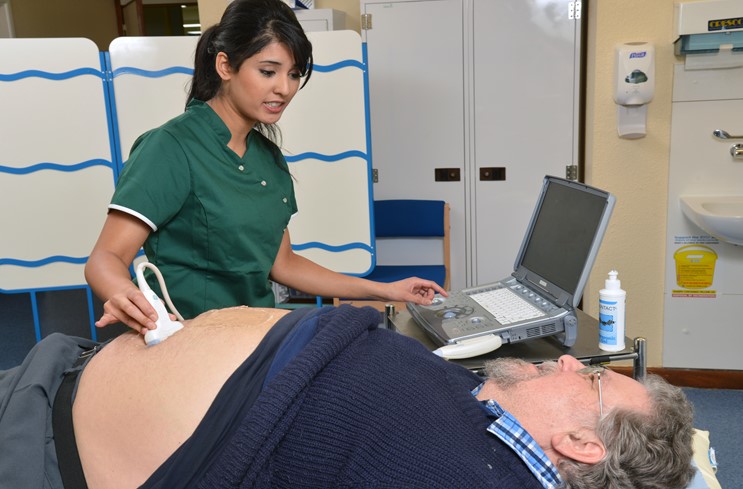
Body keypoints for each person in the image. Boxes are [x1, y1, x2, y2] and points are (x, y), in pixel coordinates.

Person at [1, 305, 695, 489]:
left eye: (594, 377)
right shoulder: (484, 418)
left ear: (581, 442)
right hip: (60, 370)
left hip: (37, 445)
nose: (573, 358)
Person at [84, 0, 445, 335]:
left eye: (293, 74)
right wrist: (126, 295)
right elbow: (105, 258)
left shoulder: (268, 158)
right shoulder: (171, 147)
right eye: (268, 71)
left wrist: (386, 289)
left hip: (258, 334)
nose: (284, 88)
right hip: (191, 342)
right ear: (225, 65)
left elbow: (283, 263)